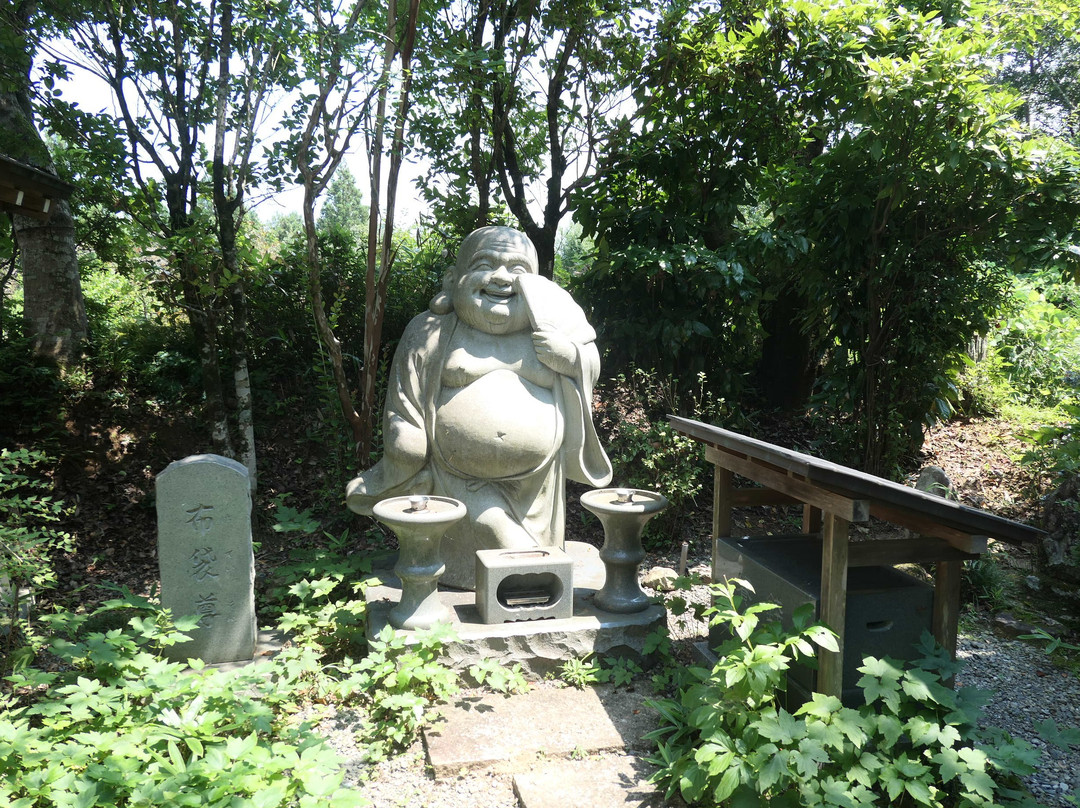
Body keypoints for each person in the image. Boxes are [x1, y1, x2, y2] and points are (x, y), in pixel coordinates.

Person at [346, 226, 612, 589]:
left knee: (524, 556)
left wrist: (569, 357)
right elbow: (404, 396)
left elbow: (589, 363)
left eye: (518, 269)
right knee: (496, 533)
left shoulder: (547, 329)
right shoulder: (432, 330)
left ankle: (529, 577)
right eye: (485, 264)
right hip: (455, 475)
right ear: (454, 279)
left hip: (535, 483)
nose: (502, 278)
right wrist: (404, 445)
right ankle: (516, 577)